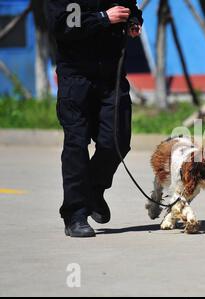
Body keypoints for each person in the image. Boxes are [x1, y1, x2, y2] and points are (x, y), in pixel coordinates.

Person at [47, 1, 143, 238]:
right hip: (76, 77)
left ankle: (93, 190)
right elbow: (62, 25)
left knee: (118, 139)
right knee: (76, 145)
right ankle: (75, 215)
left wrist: (133, 21)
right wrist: (103, 18)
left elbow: (130, 7)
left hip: (111, 77)